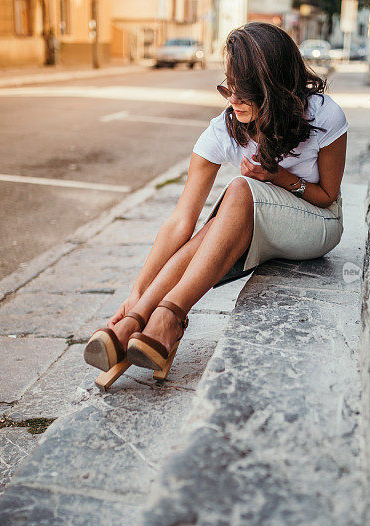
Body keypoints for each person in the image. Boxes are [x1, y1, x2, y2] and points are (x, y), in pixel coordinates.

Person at [84, 22, 348, 386]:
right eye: (228, 88)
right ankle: (141, 315)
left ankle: (171, 316)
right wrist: (136, 292)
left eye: (245, 93)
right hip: (263, 223)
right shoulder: (224, 128)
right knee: (210, 227)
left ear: (273, 88)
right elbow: (181, 220)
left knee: (239, 190)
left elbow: (327, 196)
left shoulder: (323, 115)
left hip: (318, 224)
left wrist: (276, 178)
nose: (233, 100)